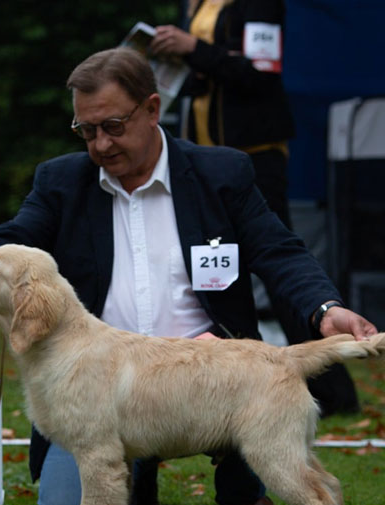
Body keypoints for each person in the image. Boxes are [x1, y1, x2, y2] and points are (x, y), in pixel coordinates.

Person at [0, 47, 377, 505]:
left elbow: (280, 251)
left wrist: (325, 309)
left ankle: (245, 494)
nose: (100, 143)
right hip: (105, 383)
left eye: (113, 126)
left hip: (212, 369)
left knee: (255, 410)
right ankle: (138, 479)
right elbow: (14, 235)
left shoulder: (221, 173)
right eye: (86, 130)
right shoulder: (61, 180)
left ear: (153, 109)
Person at [151, 1, 361, 415]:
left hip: (254, 160)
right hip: (202, 161)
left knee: (279, 271)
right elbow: (209, 75)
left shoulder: (259, 2)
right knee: (212, 273)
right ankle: (223, 386)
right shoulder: (194, 2)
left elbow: (258, 75)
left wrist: (194, 48)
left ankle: (335, 393)